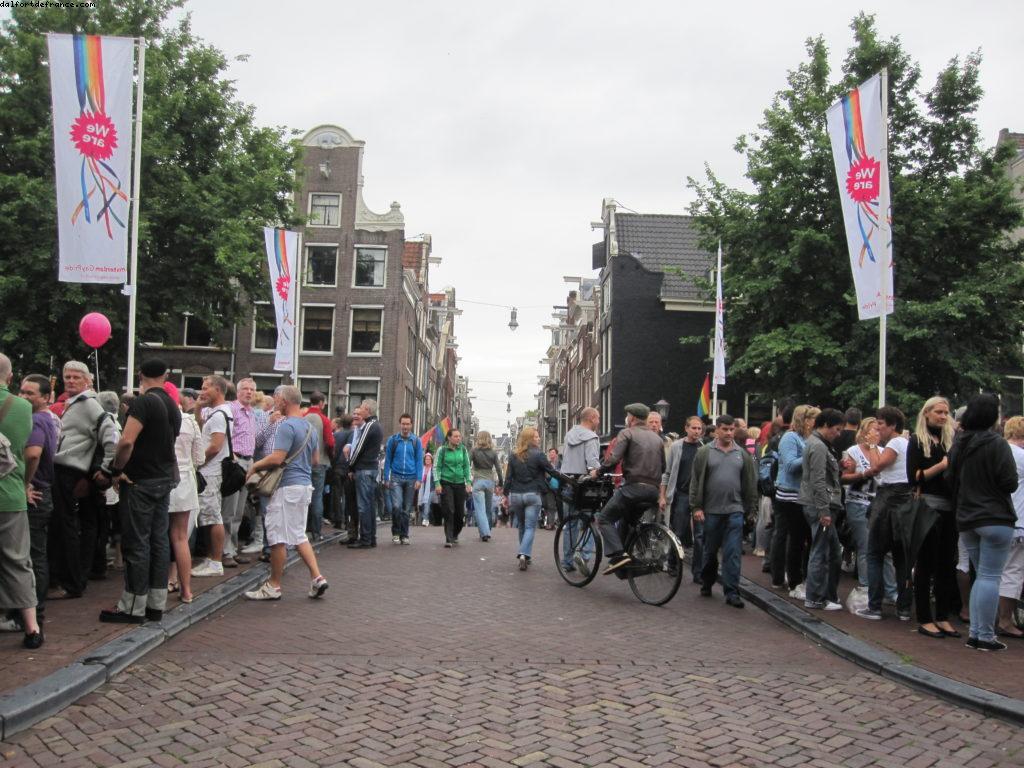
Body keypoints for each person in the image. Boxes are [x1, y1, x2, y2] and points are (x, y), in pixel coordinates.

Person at [97, 359, 181, 623]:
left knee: (137, 542)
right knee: (158, 540)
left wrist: (113, 470)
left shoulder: (143, 402)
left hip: (140, 481)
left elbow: (126, 442)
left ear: (141, 374)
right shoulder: (173, 405)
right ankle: (156, 603)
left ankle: (132, 605)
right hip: (163, 479)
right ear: (166, 374)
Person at [946, 394, 1018, 651]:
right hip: (995, 516)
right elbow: (1009, 481)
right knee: (990, 576)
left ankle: (976, 633)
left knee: (980, 576)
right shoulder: (997, 444)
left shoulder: (958, 444)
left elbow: (950, 479)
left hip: (966, 517)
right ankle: (985, 636)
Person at [243, 385, 328, 601]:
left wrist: (255, 466)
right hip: (304, 485)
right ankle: (317, 578)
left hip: (286, 486)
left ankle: (274, 585)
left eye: (277, 398)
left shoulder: (286, 426)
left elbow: (277, 458)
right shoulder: (309, 427)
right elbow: (315, 460)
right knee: (299, 534)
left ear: (284, 401)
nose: (275, 402)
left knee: (277, 537)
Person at [50, 360, 117, 599]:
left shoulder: (89, 404)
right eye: (67, 376)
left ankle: (72, 582)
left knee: (65, 526)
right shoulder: (74, 403)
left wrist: (107, 469)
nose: (70, 381)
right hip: (63, 470)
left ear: (87, 380)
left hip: (69, 471)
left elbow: (111, 434)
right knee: (62, 526)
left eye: (76, 377)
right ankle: (66, 579)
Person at [690, 414, 757, 608]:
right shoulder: (704, 453)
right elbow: (695, 480)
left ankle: (731, 592)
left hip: (734, 511)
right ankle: (707, 581)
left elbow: (750, 483)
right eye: (725, 429)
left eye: (731, 429)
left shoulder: (742, 454)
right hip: (711, 511)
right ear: (717, 430)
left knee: (732, 552)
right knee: (710, 552)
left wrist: (750, 510)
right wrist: (696, 507)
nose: (729, 433)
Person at [0, 353, 43, 648]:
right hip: (10, 494)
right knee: (17, 561)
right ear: (11, 377)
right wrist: (25, 483)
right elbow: (31, 454)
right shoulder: (23, 406)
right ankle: (32, 628)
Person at [907, 397, 959, 639]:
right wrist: (942, 465)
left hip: (950, 509)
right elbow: (914, 476)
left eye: (946, 412)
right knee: (926, 564)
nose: (943, 416)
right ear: (926, 413)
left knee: (947, 565)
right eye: (939, 412)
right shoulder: (917, 441)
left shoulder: (951, 441)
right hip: (928, 508)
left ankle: (942, 616)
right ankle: (925, 618)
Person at [593, 403, 666, 574]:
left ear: (631, 418)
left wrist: (598, 471)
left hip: (633, 488)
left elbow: (613, 459)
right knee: (628, 521)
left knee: (604, 519)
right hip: (653, 491)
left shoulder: (627, 433)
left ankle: (619, 555)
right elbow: (663, 467)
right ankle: (623, 565)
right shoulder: (658, 439)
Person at [857, 406, 914, 621]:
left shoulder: (896, 443)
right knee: (901, 557)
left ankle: (874, 606)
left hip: (890, 500)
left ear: (892, 425)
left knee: (875, 554)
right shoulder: (905, 443)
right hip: (903, 501)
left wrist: (871, 445)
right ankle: (904, 608)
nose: (877, 427)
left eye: (881, 423)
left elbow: (875, 468)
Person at [18, 374, 59, 622]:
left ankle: (33, 611)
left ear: (45, 397)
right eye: (21, 391)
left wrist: (24, 483)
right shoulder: (49, 419)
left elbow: (33, 454)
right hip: (45, 492)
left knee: (32, 555)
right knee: (37, 553)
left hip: (36, 494)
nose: (23, 396)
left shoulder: (34, 420)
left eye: (30, 393)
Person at [798, 409, 845, 611]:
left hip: (818, 503)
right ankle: (816, 597)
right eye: (837, 429)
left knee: (832, 550)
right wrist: (824, 510)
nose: (839, 434)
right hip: (819, 506)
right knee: (822, 551)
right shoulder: (818, 446)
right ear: (825, 425)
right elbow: (817, 480)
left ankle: (826, 595)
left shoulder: (818, 444)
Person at [770, 404, 819, 594]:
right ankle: (792, 580)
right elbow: (790, 465)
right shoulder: (790, 438)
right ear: (804, 420)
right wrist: (811, 454)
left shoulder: (810, 438)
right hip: (789, 494)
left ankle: (801, 577)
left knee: (804, 538)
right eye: (813, 419)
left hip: (804, 494)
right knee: (793, 538)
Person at [165, 381, 203, 604]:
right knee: (180, 538)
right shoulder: (190, 422)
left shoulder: (156, 419)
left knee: (157, 536)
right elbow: (199, 459)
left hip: (161, 482)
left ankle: (158, 586)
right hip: (185, 483)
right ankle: (186, 590)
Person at [190, 376, 232, 577]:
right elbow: (200, 429)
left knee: (213, 516)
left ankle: (216, 562)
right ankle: (210, 558)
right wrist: (198, 408)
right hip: (210, 471)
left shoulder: (219, 415)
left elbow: (215, 446)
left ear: (217, 389)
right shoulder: (215, 412)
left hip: (211, 472)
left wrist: (196, 462)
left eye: (206, 388)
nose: (202, 391)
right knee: (208, 515)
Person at [504, 427, 558, 570]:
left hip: (516, 495)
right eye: (536, 437)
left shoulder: (513, 455)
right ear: (529, 439)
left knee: (521, 525)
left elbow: (508, 478)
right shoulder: (539, 455)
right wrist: (566, 480)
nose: (539, 438)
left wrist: (505, 494)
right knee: (529, 527)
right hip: (532, 495)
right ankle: (523, 553)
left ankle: (526, 556)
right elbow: (551, 471)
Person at [661, 416, 705, 582]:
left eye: (699, 429)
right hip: (681, 494)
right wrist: (663, 496)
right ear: (686, 428)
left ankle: (698, 572)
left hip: (699, 498)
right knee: (677, 532)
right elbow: (667, 472)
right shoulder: (676, 447)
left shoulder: (704, 449)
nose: (696, 431)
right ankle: (672, 563)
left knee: (700, 536)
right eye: (693, 428)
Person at [559, 407, 601, 571]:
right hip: (584, 486)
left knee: (570, 524)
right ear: (591, 418)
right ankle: (583, 555)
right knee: (591, 521)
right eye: (598, 418)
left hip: (569, 483)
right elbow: (592, 464)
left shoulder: (569, 434)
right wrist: (599, 471)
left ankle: (567, 562)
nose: (598, 422)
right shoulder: (591, 438)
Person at [221, 378, 257, 565]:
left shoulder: (252, 413)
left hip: (248, 462)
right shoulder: (231, 409)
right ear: (238, 391)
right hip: (235, 462)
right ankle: (224, 552)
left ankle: (232, 548)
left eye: (252, 390)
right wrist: (231, 454)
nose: (249, 392)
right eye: (245, 389)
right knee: (229, 508)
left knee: (239, 510)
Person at [997, 416, 1024, 639]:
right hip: (1018, 520)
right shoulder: (1021, 455)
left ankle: (992, 618)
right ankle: (1004, 621)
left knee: (992, 571)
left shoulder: (998, 450)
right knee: (1013, 571)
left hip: (993, 517)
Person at [346, 400, 384, 549]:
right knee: (369, 505)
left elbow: (359, 448)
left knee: (363, 506)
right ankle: (371, 537)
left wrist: (350, 466)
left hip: (364, 469)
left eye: (361, 407)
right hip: (371, 469)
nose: (359, 410)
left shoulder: (369, 426)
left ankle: (365, 538)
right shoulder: (377, 425)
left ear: (367, 409)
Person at [383, 413, 423, 545]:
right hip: (396, 477)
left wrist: (419, 479)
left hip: (411, 478)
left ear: (411, 425)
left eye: (407, 424)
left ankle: (404, 535)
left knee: (406, 509)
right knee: (396, 506)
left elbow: (419, 461)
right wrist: (386, 477)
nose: (405, 426)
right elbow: (388, 459)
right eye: (403, 424)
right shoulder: (393, 440)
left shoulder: (416, 441)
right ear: (400, 424)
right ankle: (395, 532)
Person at [304, 391, 335, 541]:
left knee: (303, 497)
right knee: (317, 497)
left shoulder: (302, 417)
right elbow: (330, 442)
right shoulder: (324, 420)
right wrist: (331, 456)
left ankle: (302, 530)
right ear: (322, 403)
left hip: (303, 464)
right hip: (320, 463)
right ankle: (316, 532)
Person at [434, 428, 472, 547]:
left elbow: (466, 467)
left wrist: (469, 482)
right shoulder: (442, 450)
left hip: (460, 483)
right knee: (449, 510)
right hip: (446, 482)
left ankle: (455, 533)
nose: (458, 438)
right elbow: (436, 467)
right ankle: (449, 538)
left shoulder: (463, 450)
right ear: (449, 438)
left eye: (459, 436)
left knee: (460, 513)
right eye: (455, 436)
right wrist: (437, 483)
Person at [470, 431, 503, 542]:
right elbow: (498, 468)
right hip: (489, 482)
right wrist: (501, 482)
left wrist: (467, 479)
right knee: (488, 509)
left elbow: (467, 464)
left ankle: (485, 532)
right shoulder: (493, 453)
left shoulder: (474, 451)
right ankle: (486, 530)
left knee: (480, 509)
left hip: (478, 481)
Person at [330, 413, 357, 541]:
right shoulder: (352, 434)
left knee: (336, 494)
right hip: (347, 468)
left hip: (336, 468)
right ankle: (347, 521)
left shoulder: (336, 434)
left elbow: (332, 450)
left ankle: (337, 520)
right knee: (347, 496)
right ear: (351, 424)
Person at [419, 451, 435, 526]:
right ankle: (427, 519)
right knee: (423, 503)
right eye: (426, 459)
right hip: (423, 489)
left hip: (431, 489)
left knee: (427, 503)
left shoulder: (433, 469)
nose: (427, 460)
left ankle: (425, 519)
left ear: (431, 460)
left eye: (429, 459)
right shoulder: (422, 469)